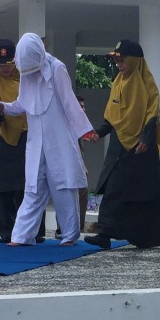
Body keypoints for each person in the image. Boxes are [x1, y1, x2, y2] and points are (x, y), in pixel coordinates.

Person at [0, 33, 92, 246]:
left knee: (64, 187)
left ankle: (70, 235)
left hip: (58, 140)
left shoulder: (57, 68)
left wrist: (84, 130)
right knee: (32, 188)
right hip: (36, 142)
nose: (30, 76)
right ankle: (22, 236)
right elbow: (22, 104)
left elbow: (70, 102)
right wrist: (0, 106)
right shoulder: (25, 71)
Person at [84, 39, 160, 250]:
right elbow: (112, 116)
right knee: (112, 189)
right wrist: (98, 133)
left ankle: (145, 238)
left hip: (140, 149)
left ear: (135, 60)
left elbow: (152, 115)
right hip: (119, 146)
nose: (119, 65)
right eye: (117, 61)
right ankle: (104, 234)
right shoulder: (118, 82)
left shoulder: (147, 85)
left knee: (140, 194)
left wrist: (146, 140)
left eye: (123, 60)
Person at [0, 38, 44, 243]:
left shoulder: (27, 78)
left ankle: (34, 231)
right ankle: (7, 232)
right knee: (2, 188)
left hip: (26, 136)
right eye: (0, 65)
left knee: (29, 186)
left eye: (8, 64)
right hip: (0, 136)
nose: (5, 69)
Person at [55, 94, 90, 237]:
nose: (83, 109)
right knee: (65, 193)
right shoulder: (63, 123)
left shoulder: (78, 123)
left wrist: (82, 165)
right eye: (80, 107)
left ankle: (77, 227)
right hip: (63, 163)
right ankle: (62, 229)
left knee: (82, 190)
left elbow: (79, 148)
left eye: (84, 107)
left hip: (76, 163)